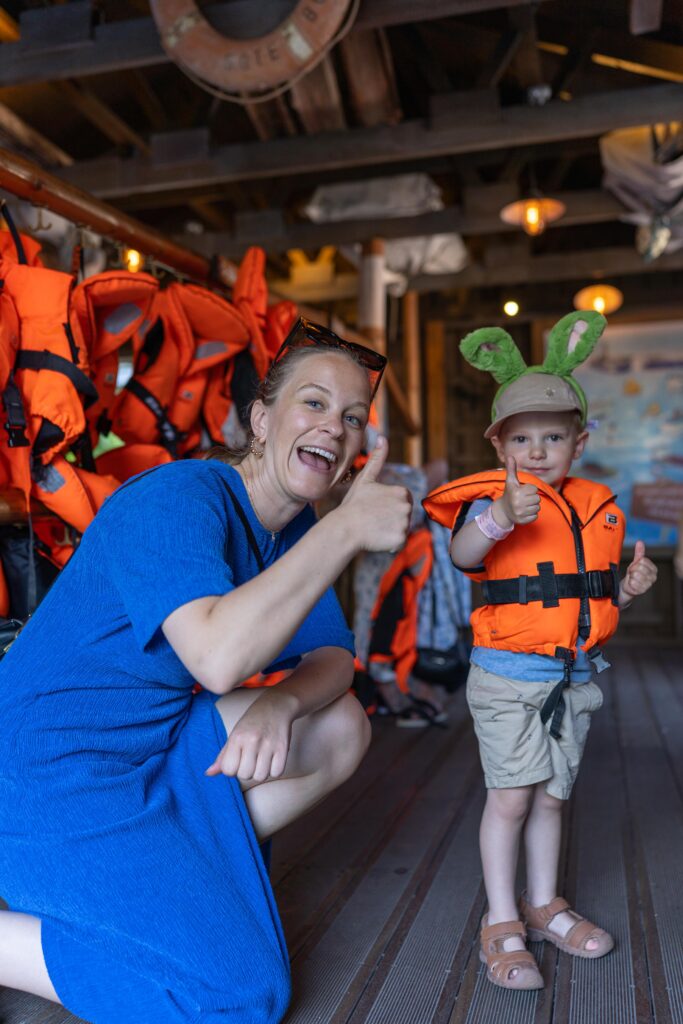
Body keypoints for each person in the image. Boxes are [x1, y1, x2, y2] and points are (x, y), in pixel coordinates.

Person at [0, 318, 412, 1024]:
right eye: (314, 402)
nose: (334, 426)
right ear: (261, 419)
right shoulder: (179, 497)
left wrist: (283, 703)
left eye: (352, 417)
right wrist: (347, 530)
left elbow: (333, 660)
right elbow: (217, 657)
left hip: (149, 750)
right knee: (240, 997)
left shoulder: (290, 529)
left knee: (340, 724)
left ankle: (169, 878)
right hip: (48, 775)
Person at [423, 311, 658, 991]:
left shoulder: (593, 506)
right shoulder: (494, 505)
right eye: (521, 438)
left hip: (572, 676)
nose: (536, 451)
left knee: (552, 798)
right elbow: (463, 553)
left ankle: (543, 903)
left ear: (578, 443)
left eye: (552, 437)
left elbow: (586, 595)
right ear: (499, 446)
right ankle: (501, 919)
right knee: (511, 800)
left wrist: (626, 589)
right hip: (507, 677)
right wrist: (500, 517)